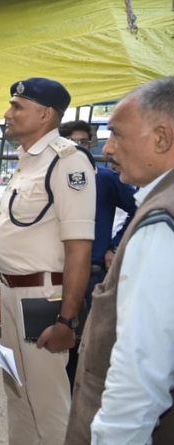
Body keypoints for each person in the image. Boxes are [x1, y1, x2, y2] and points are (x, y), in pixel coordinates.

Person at [65, 76, 174, 445]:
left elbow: (139, 371)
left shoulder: (160, 222)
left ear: (161, 137)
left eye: (117, 135)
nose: (107, 149)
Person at [0, 78, 95, 445]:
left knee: (49, 402)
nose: (8, 113)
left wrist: (67, 319)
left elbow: (79, 248)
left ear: (45, 114)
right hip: (7, 293)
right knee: (16, 392)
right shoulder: (26, 161)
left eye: (18, 106)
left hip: (42, 298)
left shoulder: (69, 161)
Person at [58, 120, 137, 392]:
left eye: (85, 142)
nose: (82, 147)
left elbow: (140, 208)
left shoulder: (104, 178)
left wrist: (114, 245)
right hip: (53, 274)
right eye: (75, 142)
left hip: (92, 275)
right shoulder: (52, 176)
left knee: (88, 344)